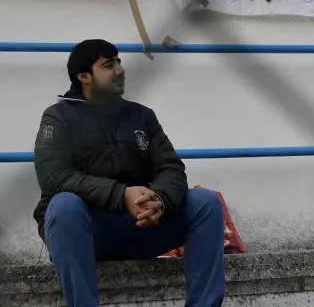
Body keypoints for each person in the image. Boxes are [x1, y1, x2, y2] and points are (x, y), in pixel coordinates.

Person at [33, 39, 226, 307]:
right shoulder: (58, 118)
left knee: (206, 203)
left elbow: (170, 167)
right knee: (64, 205)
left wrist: (158, 200)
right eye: (109, 65)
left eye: (119, 62)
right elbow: (54, 177)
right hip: (87, 232)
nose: (120, 70)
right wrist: (121, 195)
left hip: (141, 225)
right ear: (84, 77)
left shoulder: (141, 116)